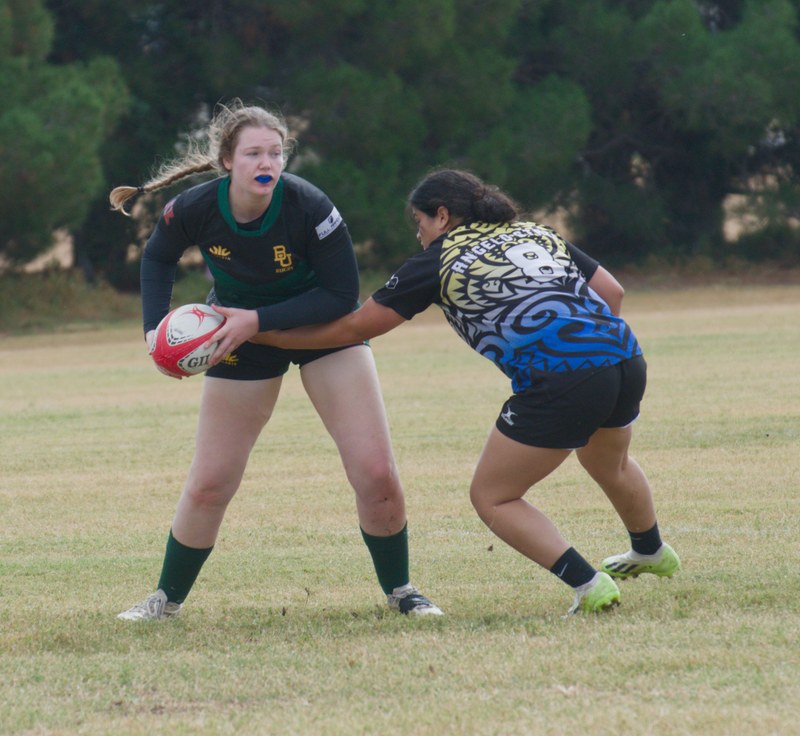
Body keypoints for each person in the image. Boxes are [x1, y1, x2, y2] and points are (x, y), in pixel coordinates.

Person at [226, 168, 681, 616]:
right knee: (607, 461)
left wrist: (267, 334)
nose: (419, 236)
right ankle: (651, 551)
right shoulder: (534, 233)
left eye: (419, 224)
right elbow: (612, 292)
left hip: (563, 376)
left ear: (441, 216)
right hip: (624, 355)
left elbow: (356, 327)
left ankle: (588, 583)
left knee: (494, 497)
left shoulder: (438, 258)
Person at [109, 100, 442, 620]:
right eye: (253, 154)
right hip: (239, 339)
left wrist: (255, 321)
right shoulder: (195, 208)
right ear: (226, 162)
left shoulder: (309, 204)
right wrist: (155, 333)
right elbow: (157, 256)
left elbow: (341, 295)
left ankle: (401, 590)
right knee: (212, 480)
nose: (267, 162)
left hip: (323, 331)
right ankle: (165, 600)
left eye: (276, 152)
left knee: (376, 473)